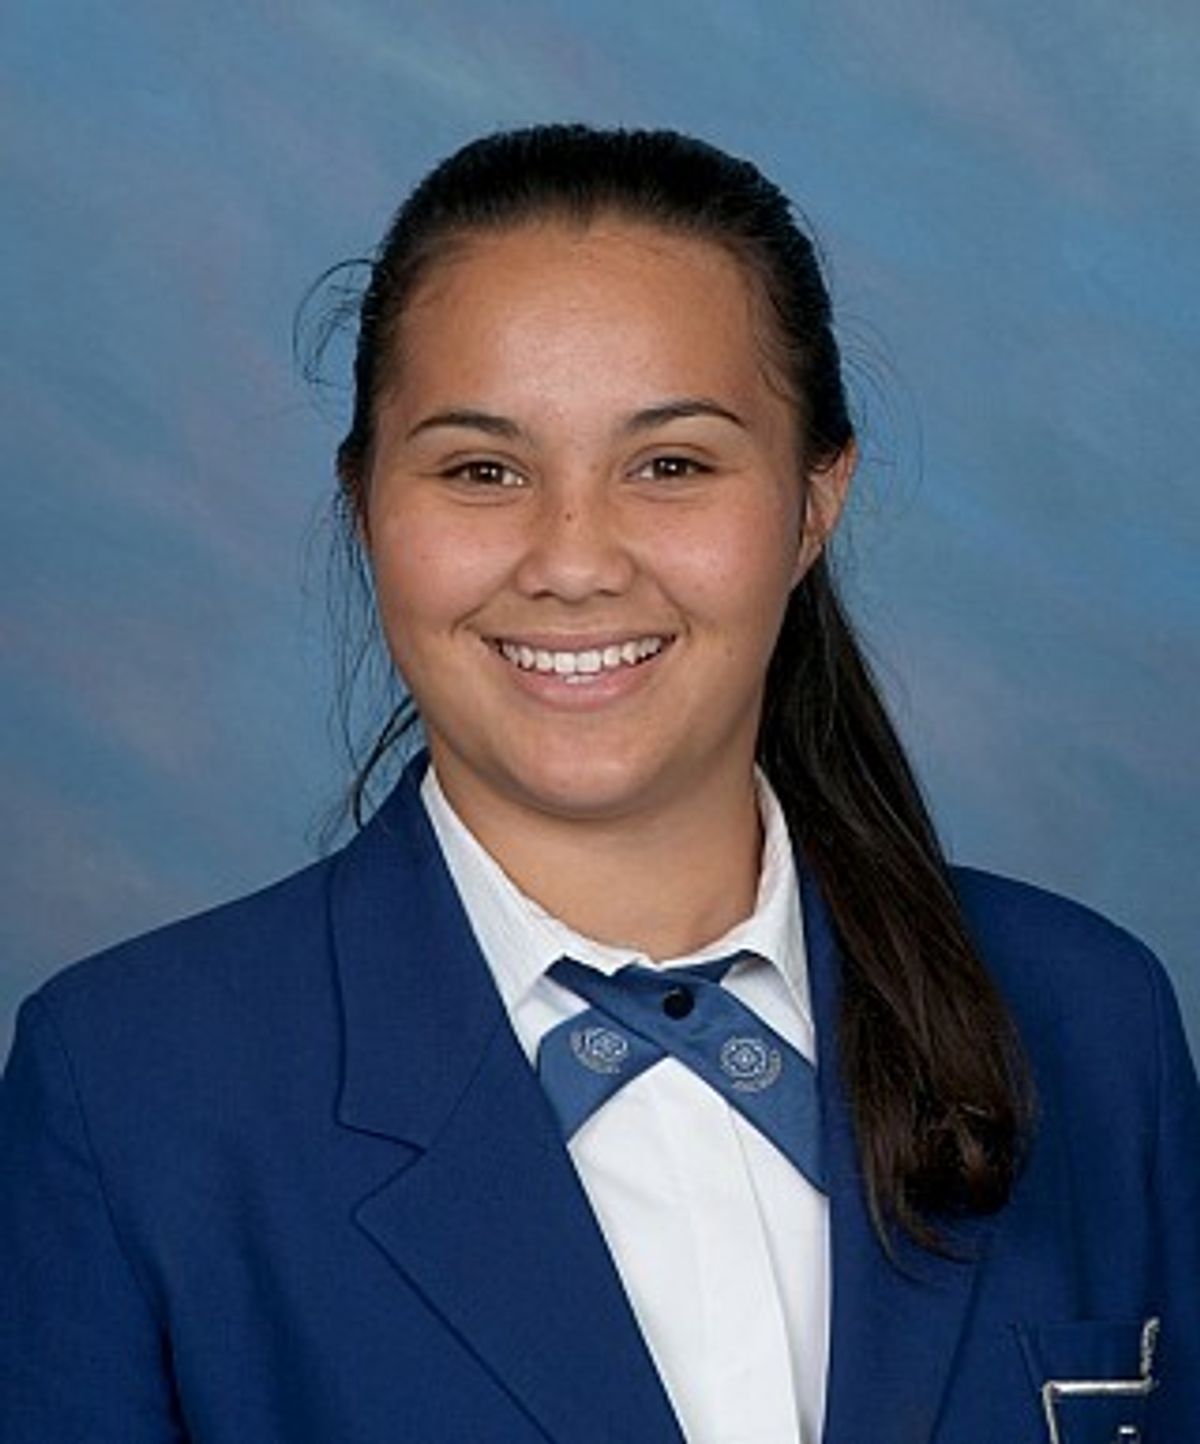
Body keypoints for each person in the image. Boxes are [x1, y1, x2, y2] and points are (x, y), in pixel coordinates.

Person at [1, 124, 1196, 1444]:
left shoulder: (1092, 1021)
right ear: (364, 505)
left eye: (671, 465)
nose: (573, 561)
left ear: (815, 503)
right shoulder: (133, 1089)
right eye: (483, 470)